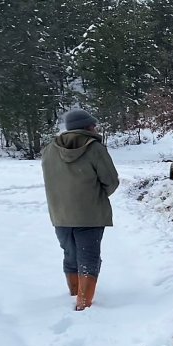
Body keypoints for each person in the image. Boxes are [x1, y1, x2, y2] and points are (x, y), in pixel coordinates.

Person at [41, 109, 119, 311]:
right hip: (90, 215)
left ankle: (74, 293)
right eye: (93, 124)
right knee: (89, 257)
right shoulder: (95, 148)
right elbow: (111, 181)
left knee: (70, 255)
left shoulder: (50, 149)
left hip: (60, 215)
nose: (95, 127)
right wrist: (94, 197)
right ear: (88, 126)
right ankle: (83, 304)